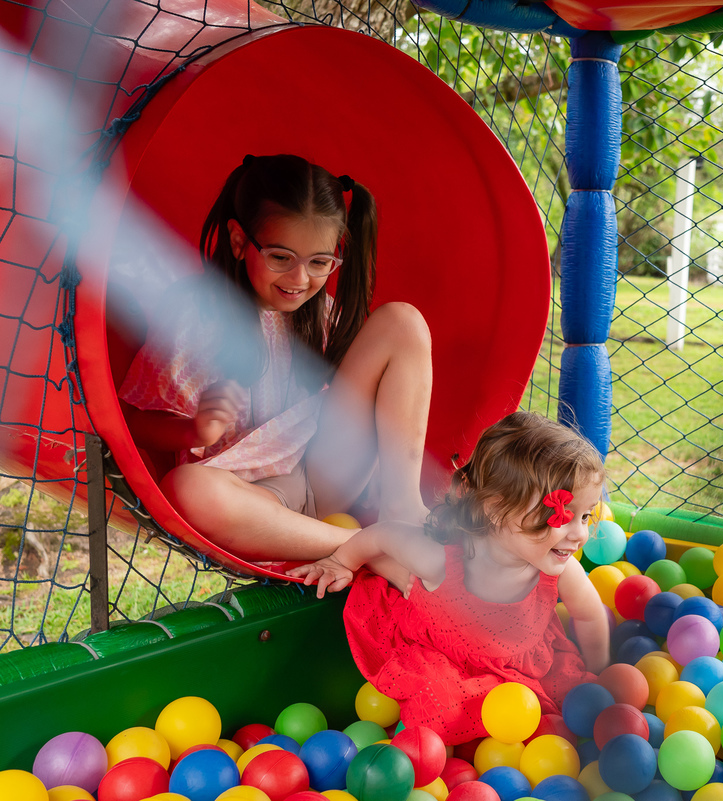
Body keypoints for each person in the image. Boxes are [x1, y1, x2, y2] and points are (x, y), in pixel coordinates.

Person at [119, 154, 433, 561]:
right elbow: (137, 423)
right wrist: (194, 432)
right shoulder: (196, 318)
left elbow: (360, 397)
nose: (300, 279)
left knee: (403, 322)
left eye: (319, 262)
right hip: (252, 500)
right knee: (188, 490)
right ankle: (373, 546)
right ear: (238, 241)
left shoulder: (319, 312)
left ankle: (402, 508)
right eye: (281, 258)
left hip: (322, 476)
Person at [288, 411, 612, 743]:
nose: (580, 535)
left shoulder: (559, 570)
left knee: (582, 702)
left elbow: (588, 614)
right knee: (435, 707)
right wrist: (341, 560)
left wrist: (598, 668)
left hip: (524, 665)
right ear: (496, 508)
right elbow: (383, 535)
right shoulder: (442, 559)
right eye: (561, 517)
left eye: (586, 517)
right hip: (447, 661)